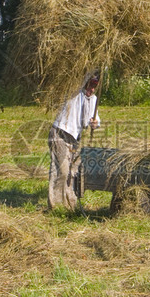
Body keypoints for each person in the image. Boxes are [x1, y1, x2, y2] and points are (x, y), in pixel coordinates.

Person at [48, 73, 101, 210]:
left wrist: (95, 123)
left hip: (75, 139)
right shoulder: (74, 92)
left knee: (72, 173)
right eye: (91, 85)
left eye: (95, 86)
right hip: (60, 134)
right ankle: (54, 205)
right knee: (62, 170)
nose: (92, 89)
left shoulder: (93, 100)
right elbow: (79, 75)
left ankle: (69, 204)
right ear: (85, 83)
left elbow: (94, 119)